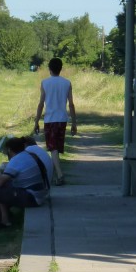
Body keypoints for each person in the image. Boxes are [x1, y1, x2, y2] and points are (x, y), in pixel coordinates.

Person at [0, 136, 53, 231]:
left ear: (9, 150)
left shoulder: (15, 160)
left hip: (32, 197)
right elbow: (4, 177)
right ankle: (3, 219)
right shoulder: (27, 155)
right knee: (2, 186)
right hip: (38, 194)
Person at [34, 57, 77, 186]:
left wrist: (36, 121)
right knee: (56, 148)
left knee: (53, 148)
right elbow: (71, 104)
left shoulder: (45, 83)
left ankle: (59, 175)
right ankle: (55, 175)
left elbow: (41, 104)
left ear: (50, 69)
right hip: (62, 119)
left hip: (50, 119)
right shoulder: (67, 83)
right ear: (60, 68)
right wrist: (74, 123)